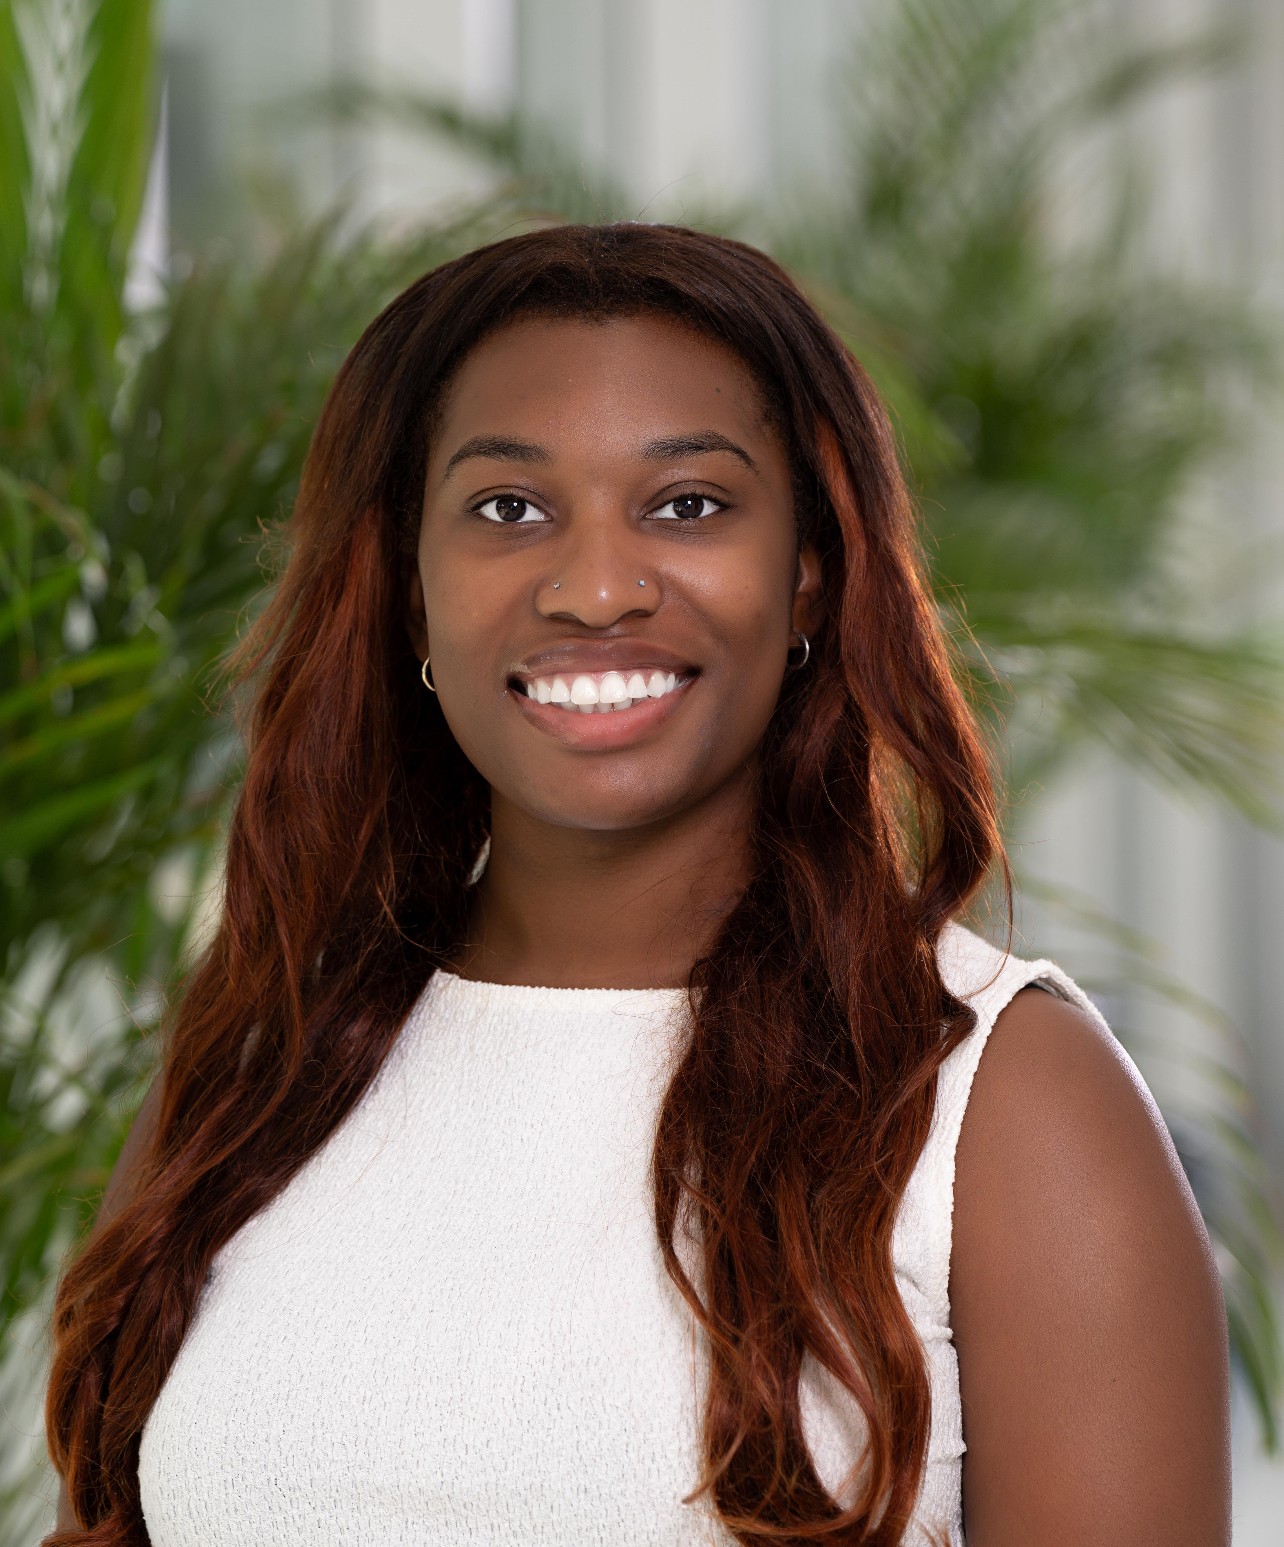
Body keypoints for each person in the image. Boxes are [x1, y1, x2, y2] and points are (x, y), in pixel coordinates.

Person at [45, 224, 1229, 1547]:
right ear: (409, 595)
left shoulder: (1002, 1102)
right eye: (509, 509)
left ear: (809, 579)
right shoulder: (264, 1064)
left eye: (688, 505)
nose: (597, 587)